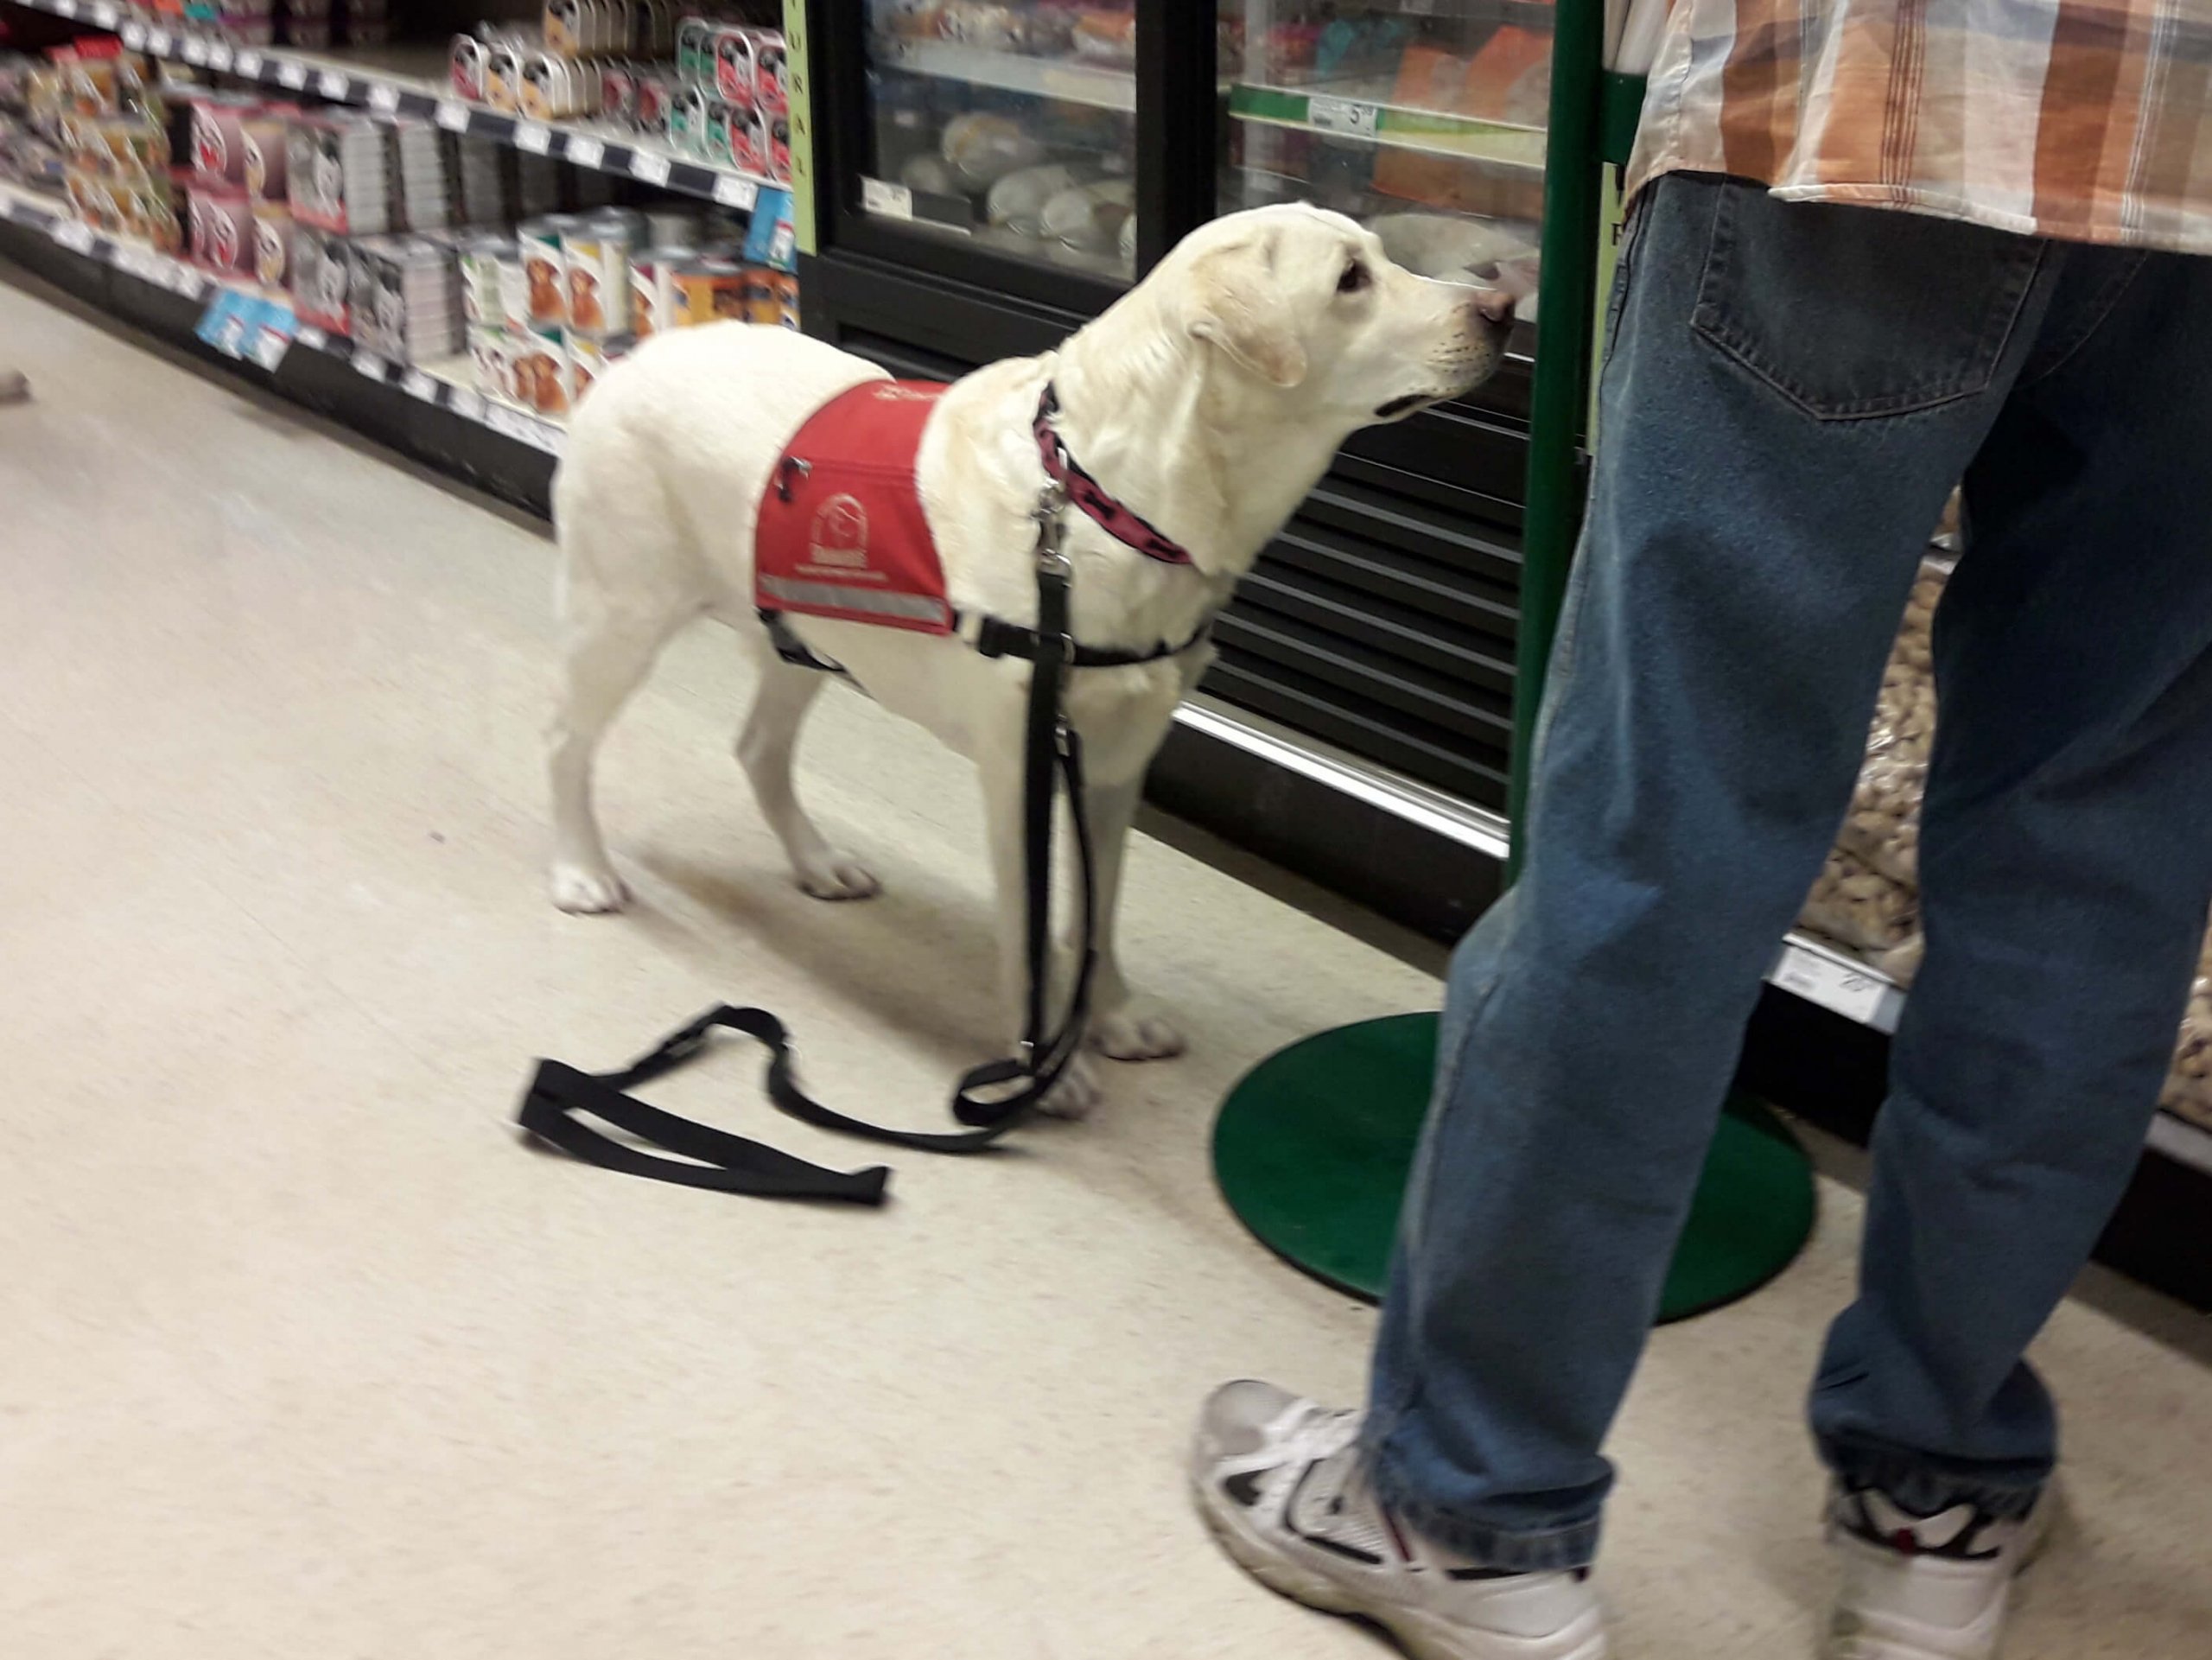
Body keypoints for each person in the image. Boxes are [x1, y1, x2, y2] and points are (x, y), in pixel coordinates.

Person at [1190, 4, 2212, 1659]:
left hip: (1888, 97)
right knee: (2093, 845)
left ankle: (1466, 1508)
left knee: (1667, 819)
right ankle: (1935, 1509)